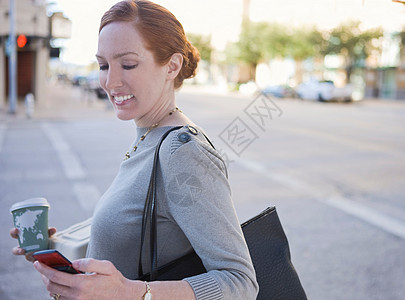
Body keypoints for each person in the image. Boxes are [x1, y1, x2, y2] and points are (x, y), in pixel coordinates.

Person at [10, 1, 258, 299]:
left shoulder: (183, 152)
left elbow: (240, 283)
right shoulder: (148, 136)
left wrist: (133, 292)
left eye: (128, 64)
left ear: (172, 66)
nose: (110, 81)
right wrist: (57, 251)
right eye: (103, 65)